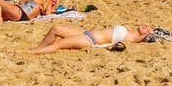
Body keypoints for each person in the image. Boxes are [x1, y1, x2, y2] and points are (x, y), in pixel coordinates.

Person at [28, 23, 156, 54]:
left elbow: (118, 46)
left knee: (58, 44)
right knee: (56, 28)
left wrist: (148, 36)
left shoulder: (134, 39)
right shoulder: (130, 30)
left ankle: (32, 53)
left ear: (145, 36)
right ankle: (39, 48)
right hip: (86, 33)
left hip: (90, 40)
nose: (146, 26)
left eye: (148, 28)